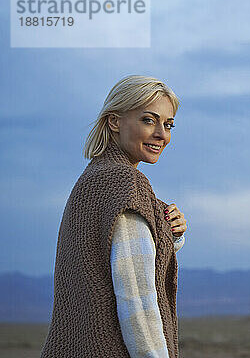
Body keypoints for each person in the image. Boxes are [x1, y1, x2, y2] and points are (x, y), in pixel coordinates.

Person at [41, 75, 187, 358]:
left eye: (168, 125)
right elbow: (137, 300)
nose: (162, 134)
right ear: (115, 121)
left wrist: (172, 235)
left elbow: (114, 254)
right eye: (148, 120)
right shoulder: (124, 183)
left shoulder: (92, 180)